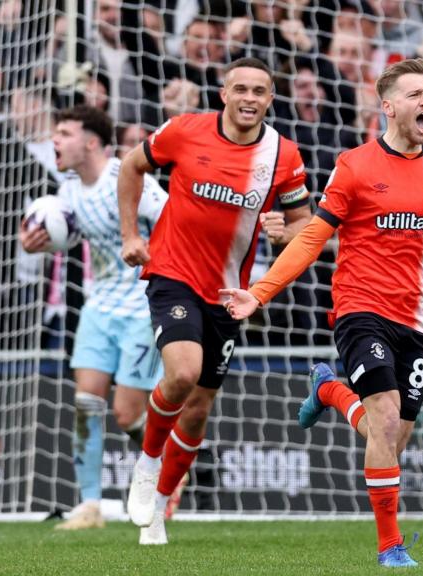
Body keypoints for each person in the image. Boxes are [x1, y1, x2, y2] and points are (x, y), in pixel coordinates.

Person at [219, 58, 423, 567]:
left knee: (388, 435)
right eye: (415, 95)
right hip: (359, 309)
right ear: (387, 106)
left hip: (415, 318)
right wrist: (259, 292)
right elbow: (312, 237)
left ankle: (328, 389)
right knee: (386, 421)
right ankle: (390, 546)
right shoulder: (354, 165)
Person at [117, 57, 311, 545]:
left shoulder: (283, 155)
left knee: (199, 408)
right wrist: (129, 235)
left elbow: (307, 227)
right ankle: (146, 462)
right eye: (240, 89)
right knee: (181, 373)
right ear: (223, 94)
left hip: (229, 294)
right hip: (172, 273)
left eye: (260, 91)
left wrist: (282, 231)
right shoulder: (184, 131)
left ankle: (160, 504)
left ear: (270, 99)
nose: (249, 98)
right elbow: (132, 166)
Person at [19, 106, 168, 530]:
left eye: (64, 133)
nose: (56, 141)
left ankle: (172, 461)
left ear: (90, 142)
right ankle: (89, 506)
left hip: (143, 306)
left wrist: (147, 247)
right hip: (99, 306)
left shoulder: (129, 175)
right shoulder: (66, 193)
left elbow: (173, 218)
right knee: (86, 403)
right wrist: (34, 243)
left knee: (126, 414)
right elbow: (60, 234)